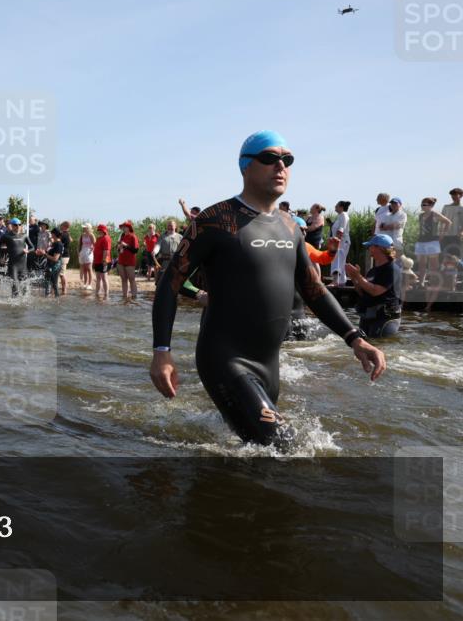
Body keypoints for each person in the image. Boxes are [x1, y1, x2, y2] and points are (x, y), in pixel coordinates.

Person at [151, 130, 385, 450]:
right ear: (245, 166)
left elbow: (314, 289)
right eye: (270, 158)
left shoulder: (289, 225)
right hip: (225, 359)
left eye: (287, 160)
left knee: (257, 456)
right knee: (284, 448)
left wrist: (355, 339)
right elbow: (170, 283)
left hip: (269, 364)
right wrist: (162, 352)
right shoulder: (216, 220)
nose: (281, 166)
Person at [346, 234, 402, 337]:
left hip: (385, 318)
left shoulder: (391, 269)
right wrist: (353, 277)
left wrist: (358, 276)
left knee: (380, 346)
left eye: (371, 246)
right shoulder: (373, 271)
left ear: (380, 248)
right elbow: (362, 292)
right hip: (369, 315)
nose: (368, 248)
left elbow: (375, 291)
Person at [416, 196, 452, 287]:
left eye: (425, 204)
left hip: (432, 242)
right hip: (421, 242)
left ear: (431, 205)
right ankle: (421, 283)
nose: (422, 206)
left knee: (433, 265)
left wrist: (442, 234)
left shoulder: (434, 214)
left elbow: (448, 222)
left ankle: (434, 282)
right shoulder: (420, 215)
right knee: (421, 264)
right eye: (422, 204)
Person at [0, 218, 32, 297]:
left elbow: (32, 247)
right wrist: (1, 257)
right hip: (13, 266)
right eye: (15, 225)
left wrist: (28, 251)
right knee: (15, 290)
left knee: (25, 291)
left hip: (23, 266)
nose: (17, 226)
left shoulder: (24, 235)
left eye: (19, 225)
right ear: (12, 226)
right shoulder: (6, 236)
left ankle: (22, 307)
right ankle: (13, 307)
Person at [329, 201, 351, 285]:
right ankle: (341, 282)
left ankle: (335, 281)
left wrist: (336, 241)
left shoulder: (343, 215)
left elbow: (341, 230)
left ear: (341, 207)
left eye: (336, 205)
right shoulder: (340, 216)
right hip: (340, 241)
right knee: (340, 261)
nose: (335, 206)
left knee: (336, 260)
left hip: (342, 242)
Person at [116, 221, 139, 301]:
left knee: (131, 279)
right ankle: (124, 296)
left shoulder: (133, 236)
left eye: (125, 226)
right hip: (121, 260)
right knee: (123, 279)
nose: (123, 228)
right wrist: (119, 248)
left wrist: (126, 245)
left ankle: (134, 297)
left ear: (129, 228)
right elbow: (118, 249)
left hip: (130, 261)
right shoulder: (121, 236)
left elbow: (135, 250)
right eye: (123, 227)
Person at [440, 188, 463, 260]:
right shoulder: (446, 207)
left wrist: (461, 232)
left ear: (461, 195)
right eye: (452, 196)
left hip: (456, 235)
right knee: (445, 255)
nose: (453, 197)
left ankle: (457, 270)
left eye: (455, 195)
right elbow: (441, 221)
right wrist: (440, 234)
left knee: (456, 256)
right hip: (445, 235)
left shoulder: (462, 208)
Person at [92, 224, 112, 300]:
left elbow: (106, 250)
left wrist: (104, 260)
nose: (99, 232)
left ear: (104, 231)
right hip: (97, 261)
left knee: (104, 278)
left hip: (104, 261)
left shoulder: (106, 238)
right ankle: (97, 293)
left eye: (100, 230)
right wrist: (94, 261)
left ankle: (106, 294)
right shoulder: (99, 238)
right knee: (98, 278)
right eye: (98, 230)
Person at [44, 228, 65, 298]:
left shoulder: (59, 244)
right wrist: (43, 252)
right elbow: (49, 253)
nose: (50, 235)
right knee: (47, 282)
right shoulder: (54, 243)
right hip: (50, 265)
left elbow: (55, 259)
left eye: (51, 233)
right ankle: (47, 297)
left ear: (54, 234)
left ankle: (57, 299)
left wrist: (45, 254)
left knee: (54, 284)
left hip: (55, 266)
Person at [78, 225, 95, 289]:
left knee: (89, 268)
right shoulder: (82, 235)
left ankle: (90, 284)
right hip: (82, 252)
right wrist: (78, 252)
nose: (83, 228)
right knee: (84, 269)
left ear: (88, 228)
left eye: (85, 227)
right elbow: (79, 244)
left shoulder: (91, 235)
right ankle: (85, 283)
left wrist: (92, 248)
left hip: (89, 252)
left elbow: (94, 243)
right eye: (83, 228)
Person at [57, 221, 72, 295]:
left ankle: (64, 290)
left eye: (61, 225)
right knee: (61, 273)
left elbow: (57, 241)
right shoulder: (67, 234)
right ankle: (63, 290)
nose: (60, 226)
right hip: (65, 256)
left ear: (65, 226)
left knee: (61, 274)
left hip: (64, 256)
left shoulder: (63, 234)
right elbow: (71, 240)